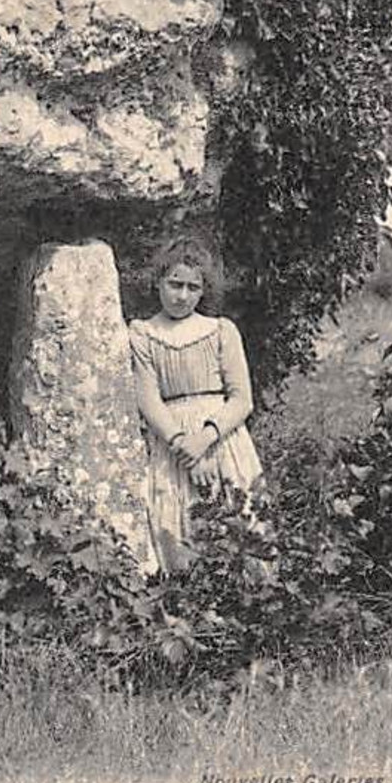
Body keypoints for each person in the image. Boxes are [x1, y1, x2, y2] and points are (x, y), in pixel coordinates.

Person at [128, 238, 263, 573]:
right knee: (178, 530)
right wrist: (183, 448)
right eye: (174, 284)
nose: (182, 295)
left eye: (192, 287)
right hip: (172, 443)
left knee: (240, 525)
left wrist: (202, 442)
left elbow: (242, 399)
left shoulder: (221, 331)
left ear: (204, 291)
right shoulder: (143, 334)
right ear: (158, 281)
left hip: (222, 440)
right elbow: (148, 399)